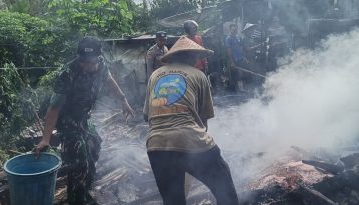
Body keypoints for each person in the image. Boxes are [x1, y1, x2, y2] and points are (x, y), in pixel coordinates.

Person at [36, 36, 135, 205]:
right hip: (67, 121)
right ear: (78, 57)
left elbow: (110, 80)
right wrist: (45, 139)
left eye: (90, 61)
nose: (86, 65)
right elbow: (54, 109)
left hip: (84, 118)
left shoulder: (102, 65)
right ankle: (76, 200)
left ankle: (86, 191)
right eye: (83, 61)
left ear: (98, 57)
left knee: (94, 147)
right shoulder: (67, 74)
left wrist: (123, 100)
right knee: (79, 162)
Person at [143, 36, 239, 205]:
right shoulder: (199, 75)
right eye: (196, 57)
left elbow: (147, 116)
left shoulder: (155, 75)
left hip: (156, 144)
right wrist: (194, 154)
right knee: (225, 189)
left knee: (173, 201)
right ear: (190, 57)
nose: (197, 60)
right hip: (189, 139)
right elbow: (203, 120)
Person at [225, 23, 246, 90]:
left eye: (236, 29)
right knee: (235, 75)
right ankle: (235, 91)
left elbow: (241, 48)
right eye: (233, 30)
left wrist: (244, 57)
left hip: (241, 58)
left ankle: (242, 89)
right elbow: (229, 51)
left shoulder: (238, 37)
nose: (235, 31)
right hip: (234, 59)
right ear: (230, 30)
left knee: (242, 74)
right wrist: (232, 62)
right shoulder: (228, 39)